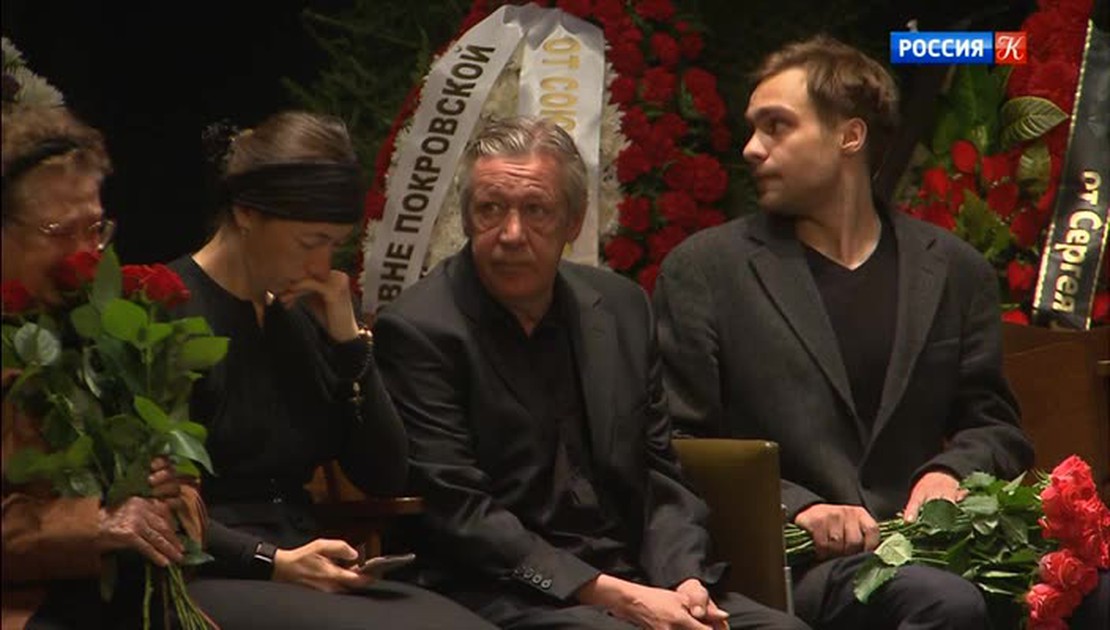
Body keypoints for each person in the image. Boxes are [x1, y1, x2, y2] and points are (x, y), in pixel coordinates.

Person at [653, 36, 1035, 629]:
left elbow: (995, 426)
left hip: (932, 545)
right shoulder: (706, 270)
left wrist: (950, 472)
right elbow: (678, 443)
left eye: (776, 126)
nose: (751, 148)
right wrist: (797, 507)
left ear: (849, 136)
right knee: (942, 602)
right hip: (793, 565)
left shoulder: (954, 269)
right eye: (752, 129)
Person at [374, 116, 807, 630]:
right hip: (503, 591)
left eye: (536, 210)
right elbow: (461, 512)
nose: (511, 234)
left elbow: (658, 474)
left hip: (634, 577)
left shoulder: (620, 307)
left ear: (573, 222)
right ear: (467, 219)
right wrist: (613, 595)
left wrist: (684, 578)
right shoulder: (420, 329)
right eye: (490, 209)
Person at [174, 110, 494, 629]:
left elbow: (383, 475)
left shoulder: (301, 315)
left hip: (306, 560)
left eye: (334, 244)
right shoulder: (167, 307)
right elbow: (159, 505)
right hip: (212, 570)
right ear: (247, 212)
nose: (323, 265)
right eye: (310, 242)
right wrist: (271, 560)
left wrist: (348, 342)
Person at [2, 106, 206, 629]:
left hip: (131, 595)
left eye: (95, 229)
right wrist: (92, 526)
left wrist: (169, 497)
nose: (85, 253)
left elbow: (188, 498)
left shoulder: (114, 333)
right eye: (59, 231)